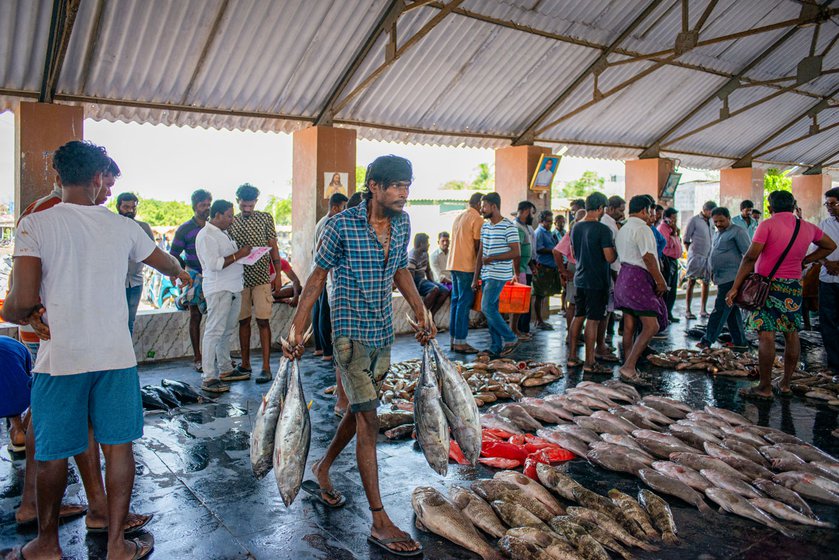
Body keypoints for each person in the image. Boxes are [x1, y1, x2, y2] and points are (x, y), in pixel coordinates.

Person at [2, 140, 191, 560]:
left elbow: (19, 302)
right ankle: (117, 545)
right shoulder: (124, 227)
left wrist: (24, 310)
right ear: (96, 178)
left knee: (51, 453)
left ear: (58, 178)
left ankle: (47, 545)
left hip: (61, 358)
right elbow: (168, 265)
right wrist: (181, 274)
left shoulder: (37, 224)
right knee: (118, 447)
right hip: (115, 357)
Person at [284, 155, 432, 556]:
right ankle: (379, 519)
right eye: (397, 185)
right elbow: (316, 278)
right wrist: (297, 327)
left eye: (408, 184)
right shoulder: (340, 225)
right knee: (368, 420)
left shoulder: (402, 224)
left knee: (358, 412)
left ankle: (322, 467)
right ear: (374, 186)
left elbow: (400, 269)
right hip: (349, 337)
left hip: (383, 332)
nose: (404, 193)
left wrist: (420, 309)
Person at [726, 190, 836, 401]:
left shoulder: (766, 225)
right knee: (791, 332)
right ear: (794, 206)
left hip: (768, 285)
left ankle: (765, 388)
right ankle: (785, 384)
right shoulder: (807, 226)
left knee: (766, 334)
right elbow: (830, 246)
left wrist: (735, 286)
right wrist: (807, 259)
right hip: (793, 286)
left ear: (770, 207)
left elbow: (750, 257)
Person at [228, 183, 286, 384]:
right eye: (244, 206)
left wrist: (277, 274)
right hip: (240, 279)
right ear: (238, 202)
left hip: (262, 277)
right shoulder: (231, 222)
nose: (247, 209)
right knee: (243, 321)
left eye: (250, 206)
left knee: (263, 321)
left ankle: (266, 367)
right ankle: (245, 365)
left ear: (255, 203)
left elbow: (273, 246)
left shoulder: (265, 218)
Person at [195, 200, 252, 394]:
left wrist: (246, 256)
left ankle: (225, 369)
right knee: (214, 331)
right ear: (217, 215)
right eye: (228, 216)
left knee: (226, 331)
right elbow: (214, 264)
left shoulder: (222, 233)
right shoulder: (206, 235)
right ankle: (209, 376)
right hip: (219, 288)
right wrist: (239, 255)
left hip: (232, 287)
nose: (231, 220)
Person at [614, 196, 668, 384]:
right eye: (651, 211)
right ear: (645, 210)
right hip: (638, 278)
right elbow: (648, 258)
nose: (652, 215)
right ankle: (629, 367)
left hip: (624, 276)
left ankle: (630, 366)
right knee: (651, 325)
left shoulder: (623, 228)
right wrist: (660, 281)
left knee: (629, 325)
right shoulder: (642, 228)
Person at [567, 192, 616, 373]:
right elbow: (609, 257)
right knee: (593, 320)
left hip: (580, 278)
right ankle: (589, 362)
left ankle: (572, 357)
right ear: (601, 208)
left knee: (578, 316)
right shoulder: (603, 230)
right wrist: (616, 250)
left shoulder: (576, 227)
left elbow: (572, 252)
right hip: (596, 280)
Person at [474, 192, 521, 357]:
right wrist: (476, 277)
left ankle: (510, 337)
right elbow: (481, 252)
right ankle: (495, 347)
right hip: (486, 274)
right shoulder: (485, 226)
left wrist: (493, 258)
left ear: (493, 206)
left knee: (487, 307)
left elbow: (516, 252)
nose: (481, 209)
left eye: (484, 206)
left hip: (499, 274)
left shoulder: (509, 226)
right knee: (491, 309)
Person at [170, 189, 212, 372]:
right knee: (195, 316)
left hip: (213, 276)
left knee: (215, 317)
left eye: (209, 204)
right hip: (194, 276)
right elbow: (173, 254)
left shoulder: (214, 226)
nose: (207, 208)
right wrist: (182, 272)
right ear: (195, 207)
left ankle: (214, 356)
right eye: (203, 205)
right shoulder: (185, 229)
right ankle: (198, 357)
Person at [698, 207, 750, 350]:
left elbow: (749, 254)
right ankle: (740, 342)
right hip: (721, 278)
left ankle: (707, 340)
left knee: (720, 310)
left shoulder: (738, 232)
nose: (719, 224)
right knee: (731, 311)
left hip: (732, 278)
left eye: (721, 221)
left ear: (729, 218)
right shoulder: (717, 233)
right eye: (716, 222)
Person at [312, 193, 349, 361]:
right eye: (343, 208)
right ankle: (327, 351)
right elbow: (321, 249)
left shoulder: (321, 222)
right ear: (335, 207)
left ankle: (319, 347)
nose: (345, 212)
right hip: (325, 272)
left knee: (319, 309)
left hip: (319, 270)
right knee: (324, 312)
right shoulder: (331, 223)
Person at [447, 193, 484, 354]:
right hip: (467, 266)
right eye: (483, 204)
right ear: (477, 204)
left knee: (456, 302)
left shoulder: (459, 217)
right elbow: (478, 246)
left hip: (454, 264)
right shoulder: (477, 219)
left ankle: (454, 340)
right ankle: (461, 342)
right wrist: (480, 270)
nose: (484, 208)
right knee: (464, 302)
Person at [116, 192, 155, 336]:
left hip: (135, 280)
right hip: (115, 281)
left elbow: (153, 252)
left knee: (130, 320)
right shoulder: (111, 226)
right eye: (126, 207)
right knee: (116, 320)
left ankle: (128, 356)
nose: (130, 211)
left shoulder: (143, 227)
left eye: (133, 207)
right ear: (118, 206)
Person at [599, 195, 624, 358]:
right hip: (610, 271)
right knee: (604, 311)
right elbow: (610, 255)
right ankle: (600, 345)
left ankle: (601, 344)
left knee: (608, 311)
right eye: (620, 210)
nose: (622, 214)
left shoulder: (612, 223)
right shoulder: (606, 225)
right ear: (611, 208)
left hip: (613, 270)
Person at [554, 209, 585, 333]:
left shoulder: (589, 231)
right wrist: (563, 271)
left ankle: (577, 333)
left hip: (585, 269)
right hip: (574, 267)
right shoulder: (571, 233)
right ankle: (571, 334)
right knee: (572, 303)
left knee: (582, 303)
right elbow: (556, 252)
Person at [683, 200, 716, 319]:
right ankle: (688, 310)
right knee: (691, 281)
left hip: (709, 255)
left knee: (706, 282)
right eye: (711, 212)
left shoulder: (712, 221)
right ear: (705, 210)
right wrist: (692, 253)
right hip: (696, 256)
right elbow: (686, 239)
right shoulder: (694, 220)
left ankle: (703, 309)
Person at [818, 187, 839, 374]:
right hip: (827, 279)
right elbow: (814, 249)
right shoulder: (824, 224)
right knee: (828, 321)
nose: (830, 207)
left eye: (834, 203)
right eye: (828, 204)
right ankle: (834, 363)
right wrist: (826, 262)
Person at [408, 233, 450, 316]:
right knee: (434, 289)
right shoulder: (412, 256)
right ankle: (420, 315)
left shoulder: (425, 254)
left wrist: (433, 282)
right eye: (427, 243)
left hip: (422, 280)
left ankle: (431, 315)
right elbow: (410, 278)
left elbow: (428, 271)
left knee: (445, 290)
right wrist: (414, 293)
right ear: (421, 244)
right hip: (415, 280)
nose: (429, 245)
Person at [511, 201, 536, 339]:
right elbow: (516, 252)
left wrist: (531, 265)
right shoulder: (517, 227)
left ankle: (517, 330)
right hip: (519, 269)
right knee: (517, 303)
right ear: (526, 211)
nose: (533, 216)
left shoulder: (525, 226)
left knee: (521, 303)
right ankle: (515, 330)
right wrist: (517, 272)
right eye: (532, 212)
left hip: (524, 268)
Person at [532, 209, 560, 330]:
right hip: (542, 267)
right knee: (539, 295)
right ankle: (538, 319)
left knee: (543, 295)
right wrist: (553, 251)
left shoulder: (548, 232)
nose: (550, 224)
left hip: (550, 267)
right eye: (548, 222)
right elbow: (538, 249)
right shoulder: (539, 232)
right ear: (541, 221)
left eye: (551, 222)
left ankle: (541, 319)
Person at [657, 207, 682, 323]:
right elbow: (666, 244)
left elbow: (678, 241)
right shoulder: (663, 228)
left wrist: (675, 232)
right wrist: (673, 233)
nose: (675, 220)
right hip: (666, 259)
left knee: (672, 289)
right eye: (673, 218)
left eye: (676, 218)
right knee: (667, 288)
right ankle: (663, 315)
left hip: (674, 260)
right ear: (666, 218)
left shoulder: (673, 229)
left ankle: (669, 313)